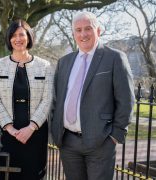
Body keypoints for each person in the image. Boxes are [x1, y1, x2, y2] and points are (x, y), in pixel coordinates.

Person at [51, 11, 135, 180]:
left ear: (98, 31)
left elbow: (126, 101)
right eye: (78, 30)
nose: (83, 34)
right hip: (68, 142)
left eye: (88, 28)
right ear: (73, 33)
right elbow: (56, 100)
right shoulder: (64, 62)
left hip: (101, 142)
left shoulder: (115, 58)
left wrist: (114, 136)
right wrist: (55, 132)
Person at [0, 19, 54, 180]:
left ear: (29, 37)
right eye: (14, 35)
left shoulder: (44, 66)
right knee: (7, 174)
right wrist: (10, 128)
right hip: (7, 133)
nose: (18, 39)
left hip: (35, 132)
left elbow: (48, 99)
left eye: (22, 35)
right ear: (9, 39)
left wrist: (31, 127)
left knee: (34, 174)